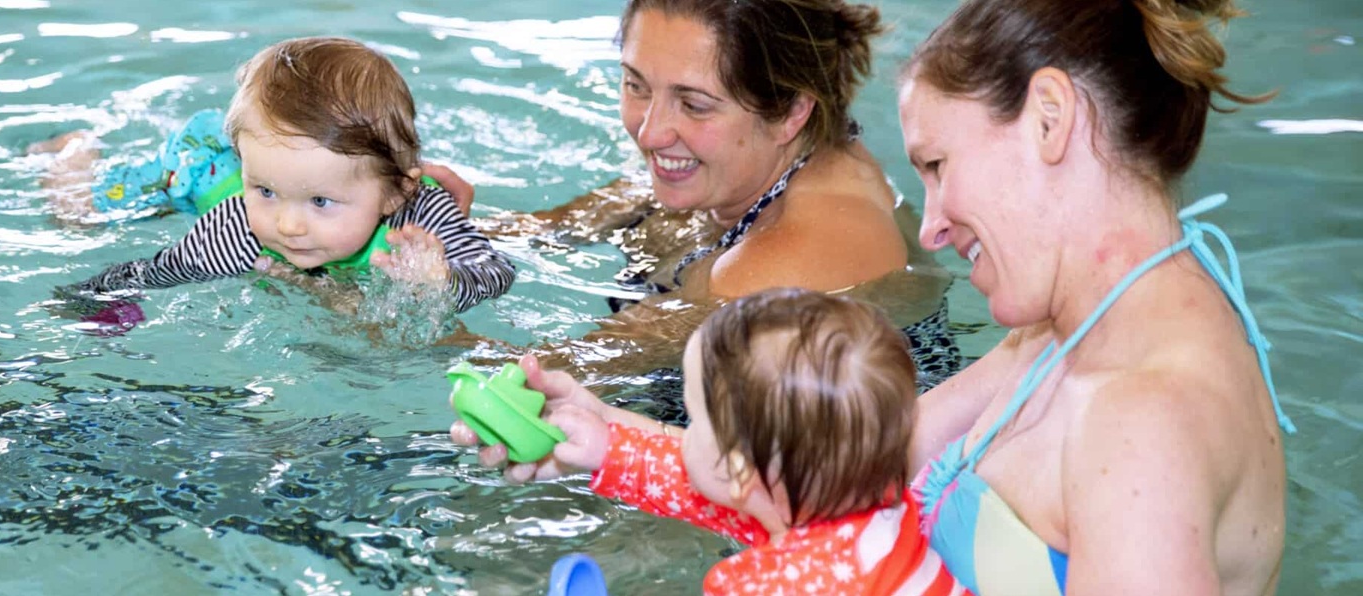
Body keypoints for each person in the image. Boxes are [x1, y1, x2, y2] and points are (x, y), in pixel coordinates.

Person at [896, 0, 1291, 593]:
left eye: (937, 164)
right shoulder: (1066, 333)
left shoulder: (1143, 427)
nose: (930, 229)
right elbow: (880, 458)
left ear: (1050, 118)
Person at [446, 0, 960, 393]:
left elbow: (544, 380)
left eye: (692, 104)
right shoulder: (735, 163)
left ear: (790, 113)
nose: (649, 132)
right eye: (636, 85)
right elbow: (548, 230)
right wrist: (433, 221)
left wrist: (422, 322)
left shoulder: (789, 260)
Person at [494, 288, 958, 595]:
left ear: (738, 470)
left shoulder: (766, 585)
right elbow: (706, 486)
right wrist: (605, 447)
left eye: (694, 419)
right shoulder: (877, 509)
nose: (685, 432)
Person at [53, 37, 516, 314]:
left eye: (320, 201)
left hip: (267, 155)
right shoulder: (235, 229)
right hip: (196, 168)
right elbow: (159, 271)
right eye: (266, 192)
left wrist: (444, 283)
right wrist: (87, 298)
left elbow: (495, 271)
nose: (288, 225)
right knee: (77, 214)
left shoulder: (421, 218)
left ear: (396, 193)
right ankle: (72, 151)